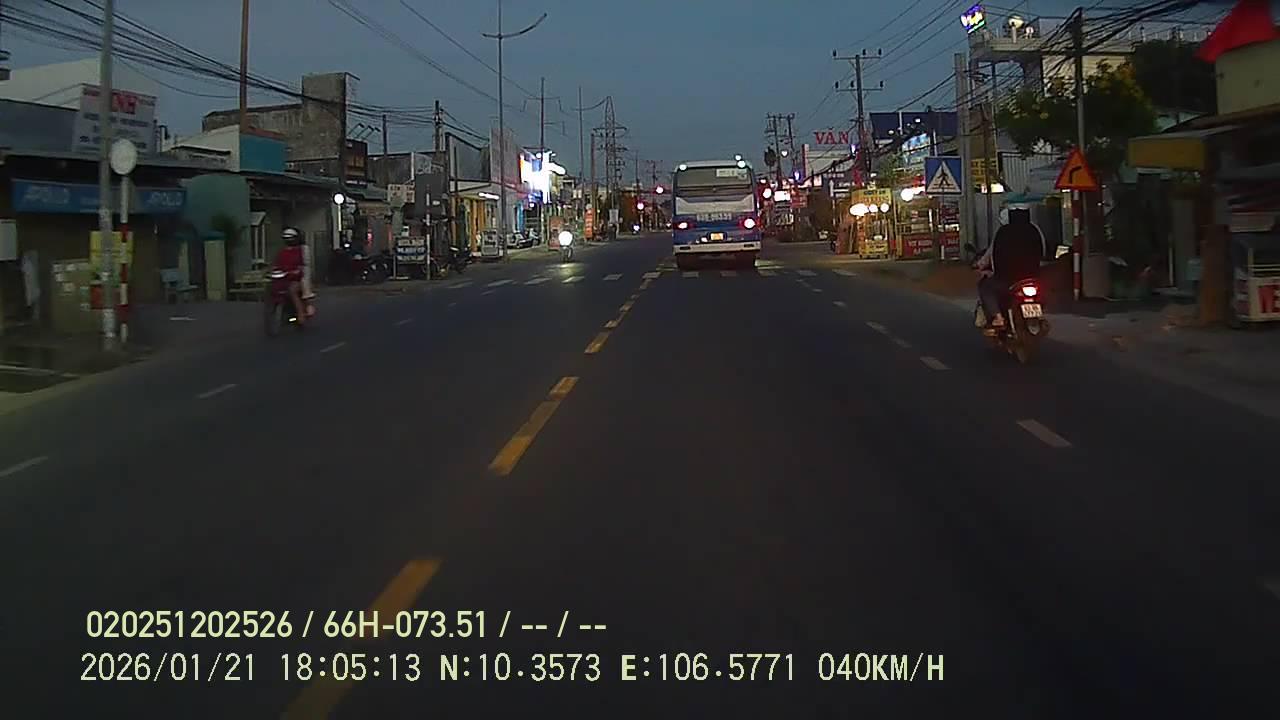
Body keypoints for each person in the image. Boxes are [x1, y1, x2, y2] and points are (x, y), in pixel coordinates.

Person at [976, 207, 1045, 329]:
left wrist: (984, 267)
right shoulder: (1035, 229)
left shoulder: (1002, 233)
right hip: (1032, 278)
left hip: (1007, 280)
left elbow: (993, 255)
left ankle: (998, 318)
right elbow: (1043, 251)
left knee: (986, 287)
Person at [273, 228, 311, 324]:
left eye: (290, 238)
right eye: (286, 238)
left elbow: (303, 264)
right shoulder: (282, 252)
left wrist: (297, 271)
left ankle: (300, 313)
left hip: (296, 279)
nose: (288, 240)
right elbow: (277, 264)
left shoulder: (300, 250)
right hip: (284, 278)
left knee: (292, 290)